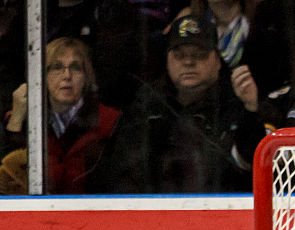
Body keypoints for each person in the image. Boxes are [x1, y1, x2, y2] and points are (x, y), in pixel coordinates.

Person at [94, 15, 263, 193]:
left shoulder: (236, 103)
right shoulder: (147, 105)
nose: (188, 62)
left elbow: (249, 166)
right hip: (153, 214)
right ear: (167, 60)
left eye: (199, 55)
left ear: (218, 61)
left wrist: (251, 110)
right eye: (179, 55)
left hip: (220, 213)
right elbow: (123, 173)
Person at [0, 37, 120, 193]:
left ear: (86, 77)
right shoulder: (22, 120)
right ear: (42, 76)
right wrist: (16, 121)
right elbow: (8, 183)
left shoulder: (110, 123)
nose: (67, 75)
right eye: (57, 67)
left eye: (76, 68)